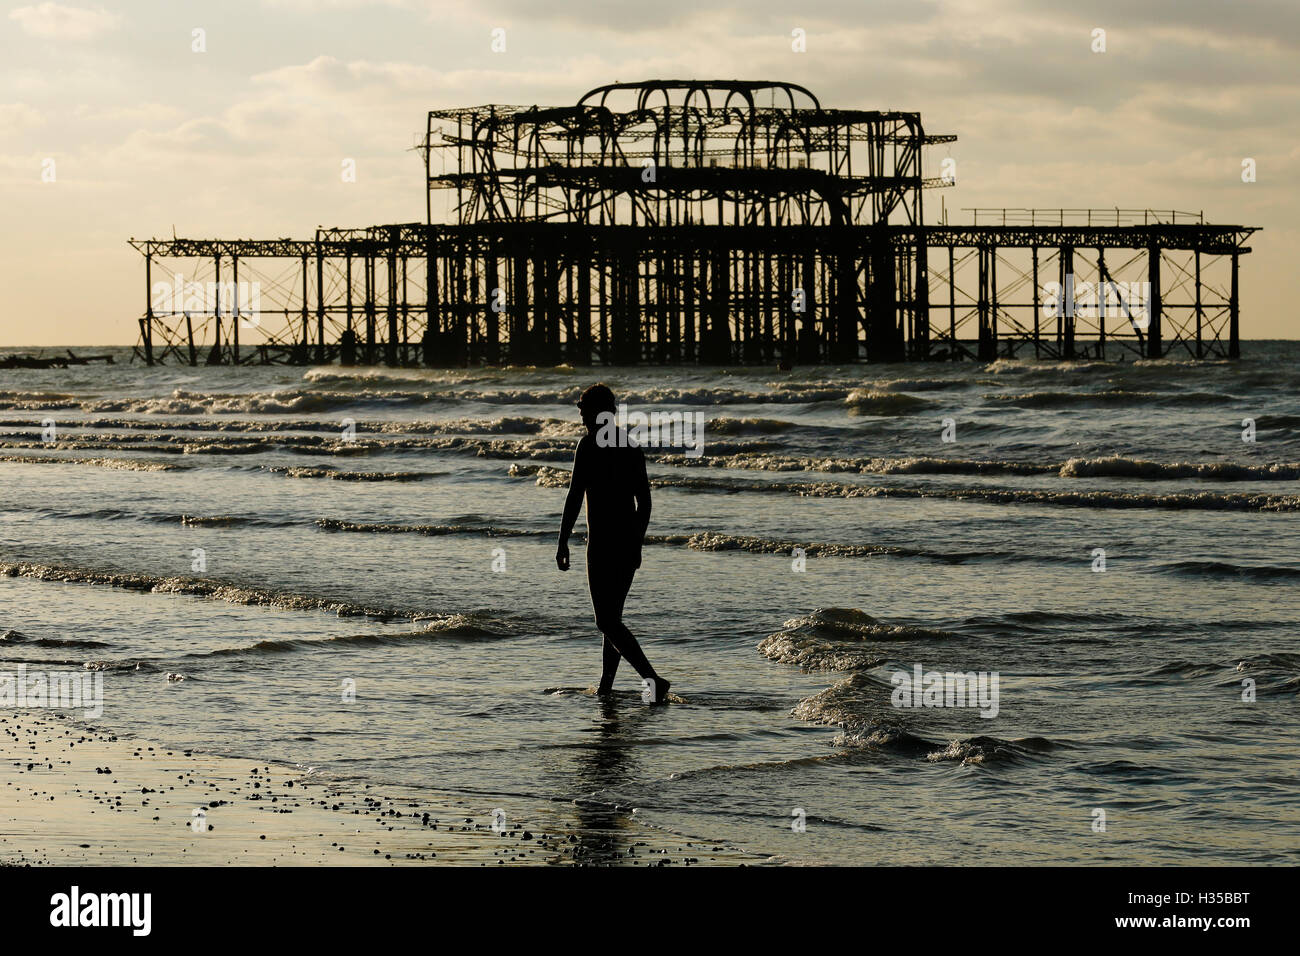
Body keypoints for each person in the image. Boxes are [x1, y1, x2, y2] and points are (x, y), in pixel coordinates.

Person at [556, 383, 671, 703]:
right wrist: (637, 541)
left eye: (582, 407)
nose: (579, 412)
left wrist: (562, 540)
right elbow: (645, 503)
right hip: (625, 542)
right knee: (613, 620)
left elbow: (575, 496)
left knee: (605, 621)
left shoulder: (589, 446)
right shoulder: (630, 446)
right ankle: (606, 685)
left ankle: (653, 679)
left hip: (604, 545)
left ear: (596, 411)